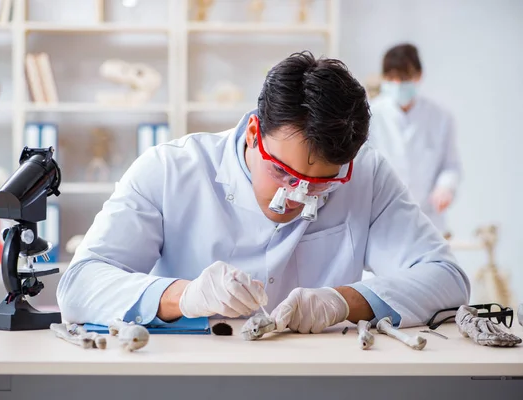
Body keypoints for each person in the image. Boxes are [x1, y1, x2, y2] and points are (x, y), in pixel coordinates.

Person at [57, 51, 469, 333]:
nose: (296, 197)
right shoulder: (170, 170)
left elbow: (447, 279)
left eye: (321, 184)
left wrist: (345, 301)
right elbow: (78, 286)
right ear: (254, 134)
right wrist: (183, 296)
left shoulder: (366, 175)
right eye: (283, 173)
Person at [367, 43, 462, 236]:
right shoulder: (370, 115)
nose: (397, 84)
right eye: (391, 78)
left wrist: (444, 187)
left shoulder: (440, 117)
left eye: (403, 78)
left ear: (418, 76)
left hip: (428, 218)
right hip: (382, 217)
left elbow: (451, 166)